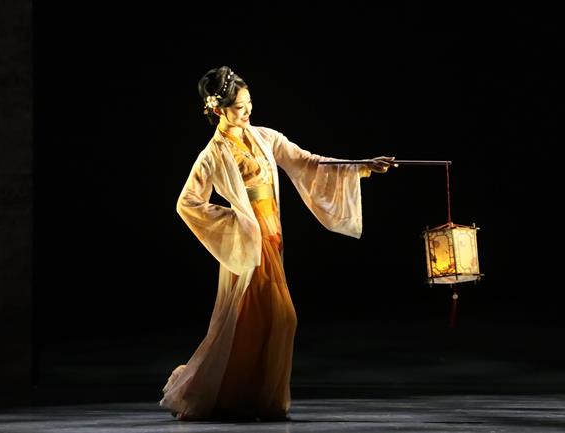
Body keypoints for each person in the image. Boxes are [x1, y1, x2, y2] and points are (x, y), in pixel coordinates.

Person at [159, 66, 395, 422]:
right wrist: (236, 221)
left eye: (249, 103)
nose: (247, 111)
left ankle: (246, 399)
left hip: (273, 236)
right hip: (248, 243)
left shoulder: (265, 137)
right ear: (218, 109)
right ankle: (245, 397)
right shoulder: (212, 154)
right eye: (239, 107)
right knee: (280, 318)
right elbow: (187, 202)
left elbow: (307, 161)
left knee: (256, 322)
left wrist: (361, 165)